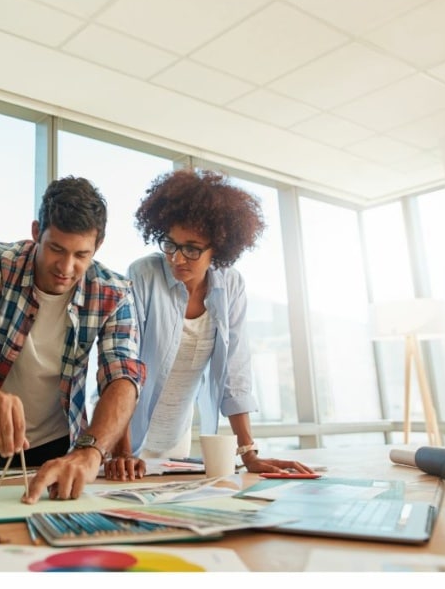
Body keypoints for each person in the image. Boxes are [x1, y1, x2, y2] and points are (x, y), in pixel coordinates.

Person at [0, 176, 145, 504]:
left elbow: (123, 377)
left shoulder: (114, 292)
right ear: (36, 232)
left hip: (63, 449)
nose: (66, 267)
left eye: (81, 254)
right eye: (56, 249)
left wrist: (91, 453)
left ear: (98, 246)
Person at [105, 168, 313, 481]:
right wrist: (121, 452)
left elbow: (235, 370)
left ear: (218, 247)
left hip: (176, 439)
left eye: (192, 248)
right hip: (125, 439)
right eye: (170, 244)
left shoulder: (230, 286)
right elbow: (124, 363)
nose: (177, 259)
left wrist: (249, 453)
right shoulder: (143, 275)